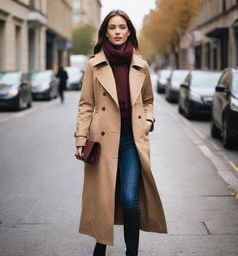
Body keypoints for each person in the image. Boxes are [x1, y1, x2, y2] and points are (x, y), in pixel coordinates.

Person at [74, 10, 167, 256]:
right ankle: (100, 245)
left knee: (129, 199)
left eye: (122, 27)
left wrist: (147, 121)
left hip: (131, 141)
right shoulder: (94, 65)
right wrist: (81, 138)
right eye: (112, 27)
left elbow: (148, 100)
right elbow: (86, 104)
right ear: (105, 31)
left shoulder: (141, 64)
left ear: (129, 31)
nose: (117, 32)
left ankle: (131, 252)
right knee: (104, 199)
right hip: (103, 142)